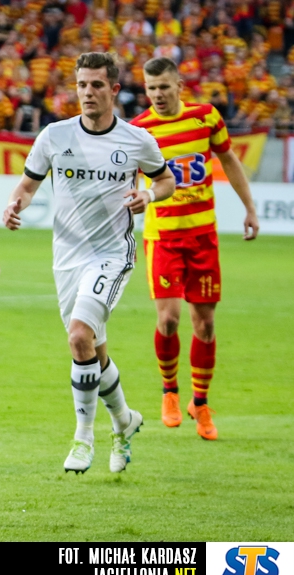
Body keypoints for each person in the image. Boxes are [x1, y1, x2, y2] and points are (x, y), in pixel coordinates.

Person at [3, 52, 176, 474]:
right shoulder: (54, 136)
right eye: (82, 84)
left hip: (111, 255)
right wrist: (14, 204)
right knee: (92, 350)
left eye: (97, 85)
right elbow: (27, 185)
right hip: (67, 258)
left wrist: (148, 195)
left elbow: (166, 180)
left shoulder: (136, 140)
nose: (87, 92)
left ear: (113, 90)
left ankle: (84, 437)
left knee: (79, 335)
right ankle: (124, 420)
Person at [130, 57, 259, 441]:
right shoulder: (139, 130)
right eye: (151, 88)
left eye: (164, 87)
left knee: (205, 323)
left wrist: (250, 209)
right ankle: (170, 392)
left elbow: (229, 159)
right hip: (163, 237)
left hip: (202, 237)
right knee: (169, 319)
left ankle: (200, 403)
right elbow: (126, 181)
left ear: (179, 86)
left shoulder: (205, 117)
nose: (157, 95)